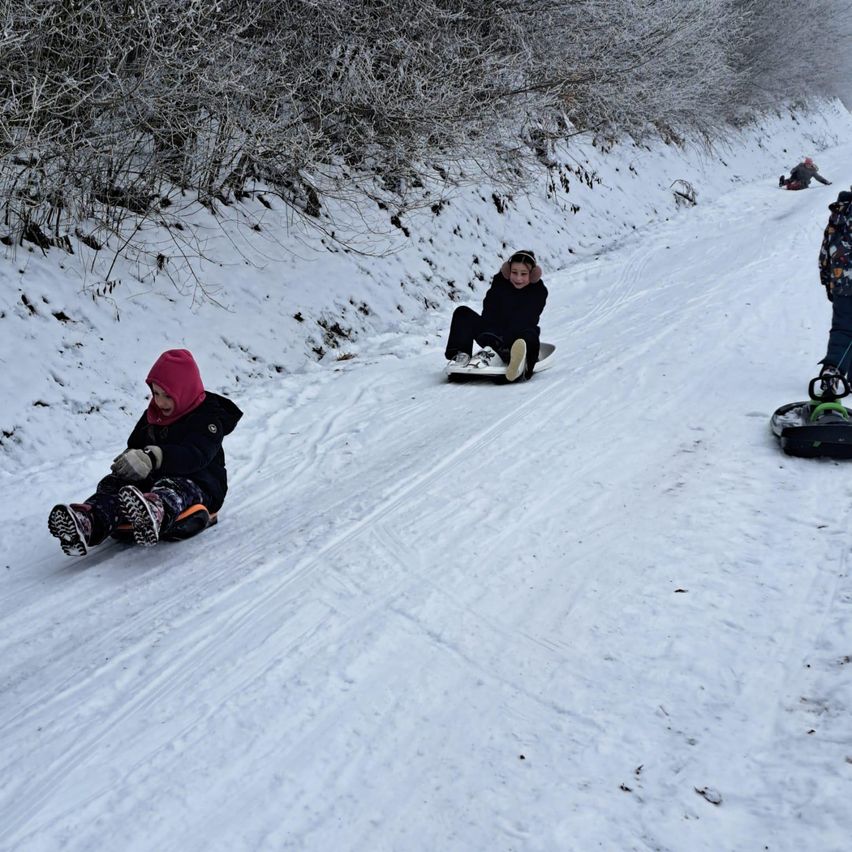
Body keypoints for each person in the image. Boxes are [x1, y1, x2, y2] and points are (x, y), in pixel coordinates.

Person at [48, 349, 243, 556]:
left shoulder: (208, 416)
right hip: (155, 480)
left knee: (171, 487)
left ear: (185, 391)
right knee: (112, 483)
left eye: (168, 396)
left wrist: (153, 456)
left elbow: (195, 454)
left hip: (199, 483)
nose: (160, 402)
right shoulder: (154, 414)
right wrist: (132, 461)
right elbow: (136, 443)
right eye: (156, 394)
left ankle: (154, 511)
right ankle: (90, 520)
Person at [445, 250, 548, 382]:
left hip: (516, 338)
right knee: (462, 312)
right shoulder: (500, 283)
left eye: (524, 274)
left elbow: (526, 319)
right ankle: (461, 356)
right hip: (493, 336)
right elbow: (489, 311)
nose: (518, 278)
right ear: (508, 271)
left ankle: (520, 363)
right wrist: (493, 339)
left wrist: (504, 344)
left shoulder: (538, 291)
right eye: (514, 272)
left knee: (529, 335)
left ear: (532, 275)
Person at [815, 189, 852, 396]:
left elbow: (825, 253)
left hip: (841, 284)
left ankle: (832, 371)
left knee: (842, 329)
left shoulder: (837, 217)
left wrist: (828, 282)